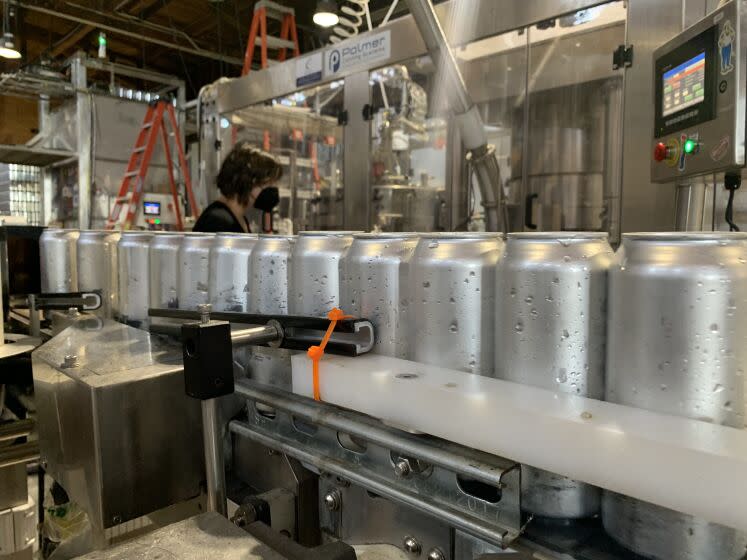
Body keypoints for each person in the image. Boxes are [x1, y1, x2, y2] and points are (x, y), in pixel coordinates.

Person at [193, 142, 282, 233]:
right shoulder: (218, 222)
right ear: (248, 182)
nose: (273, 188)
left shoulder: (238, 217)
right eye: (269, 183)